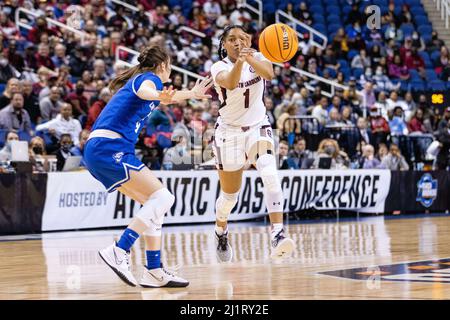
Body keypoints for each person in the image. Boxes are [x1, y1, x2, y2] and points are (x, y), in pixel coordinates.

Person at [84, 45, 212, 288]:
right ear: (162, 65)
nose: (170, 70)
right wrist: (158, 95)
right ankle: (119, 250)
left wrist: (192, 93)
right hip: (108, 147)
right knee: (164, 198)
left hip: (101, 149)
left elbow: (166, 96)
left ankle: (154, 270)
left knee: (155, 202)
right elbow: (146, 91)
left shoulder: (149, 83)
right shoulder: (148, 79)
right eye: (170, 65)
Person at [210, 25, 295, 263]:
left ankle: (277, 233)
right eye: (231, 39)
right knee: (230, 197)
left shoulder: (258, 56)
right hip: (229, 133)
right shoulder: (218, 67)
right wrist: (241, 60)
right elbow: (230, 82)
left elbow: (269, 74)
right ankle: (221, 230)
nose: (237, 42)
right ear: (223, 45)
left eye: (242, 38)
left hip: (258, 127)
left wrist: (249, 56)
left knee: (270, 173)